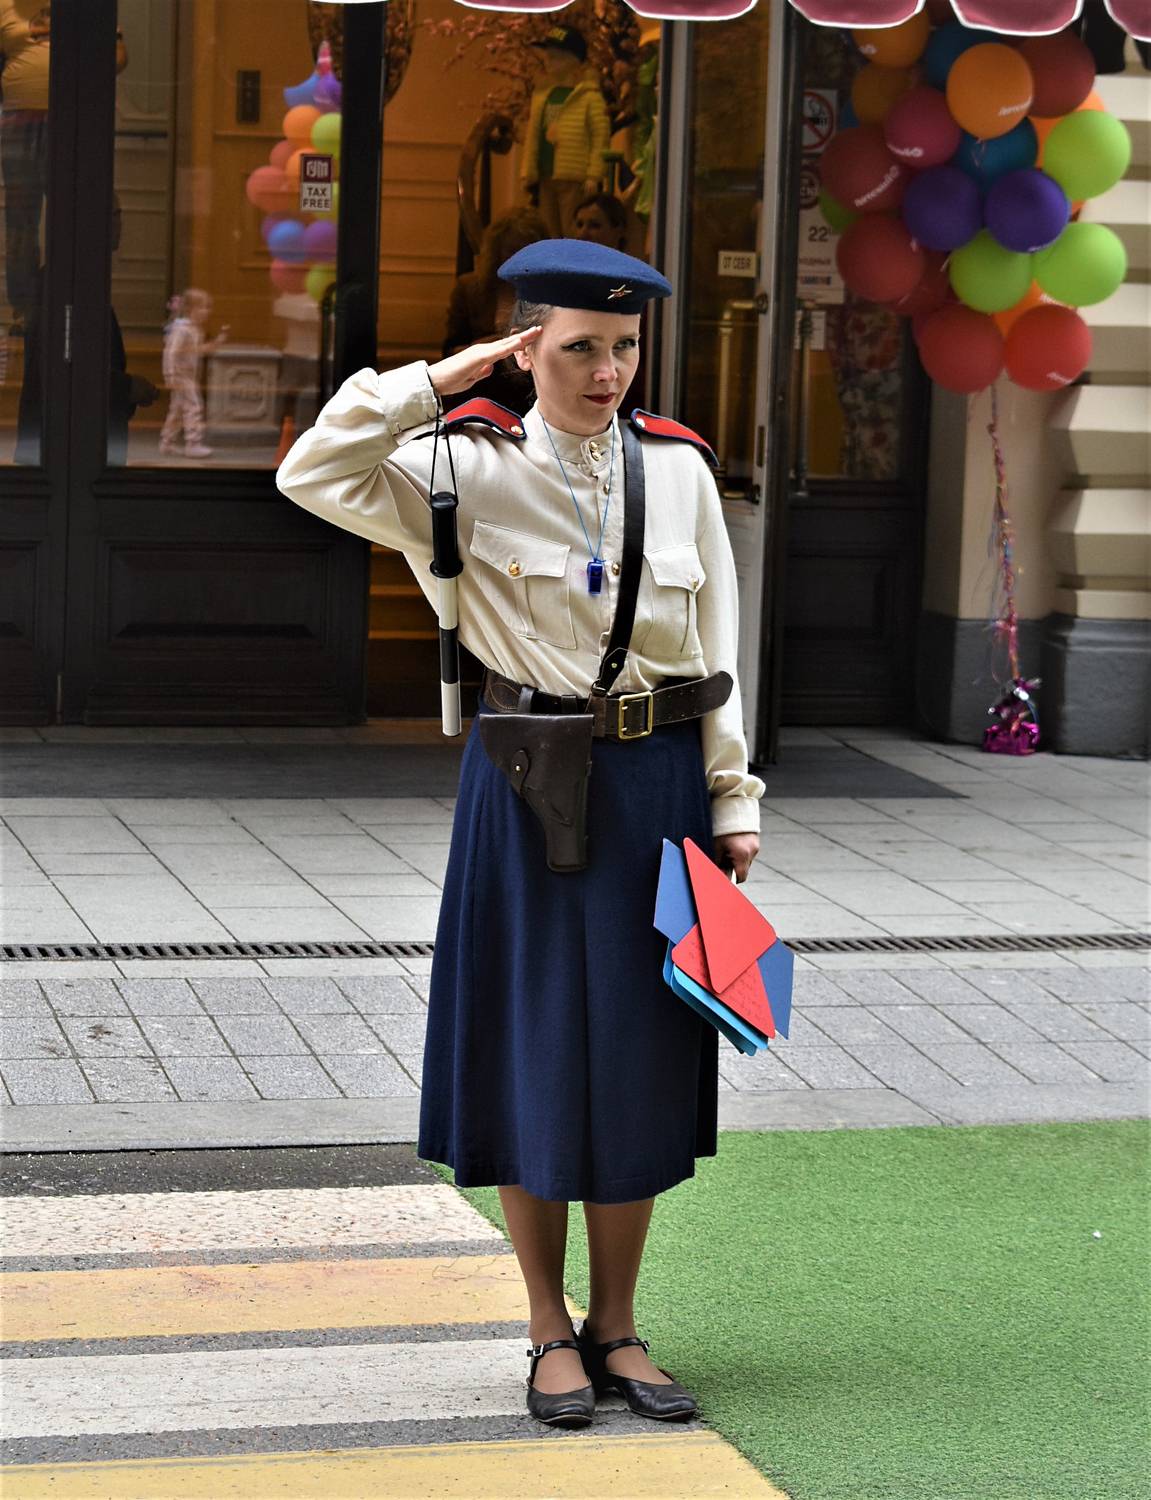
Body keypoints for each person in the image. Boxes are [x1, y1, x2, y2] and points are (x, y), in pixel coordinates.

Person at [276, 239, 763, 1430]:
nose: (608, 372)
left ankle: (619, 1326)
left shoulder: (678, 470)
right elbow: (310, 470)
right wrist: (432, 382)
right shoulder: (458, 464)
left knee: (640, 1059)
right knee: (530, 1051)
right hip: (524, 780)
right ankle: (548, 1325)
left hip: (657, 784)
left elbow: (716, 652)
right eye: (580, 347)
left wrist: (732, 799)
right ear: (526, 347)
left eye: (625, 347)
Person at [0, 3, 127, 331]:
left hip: (76, 119)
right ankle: (26, 312)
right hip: (19, 122)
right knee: (20, 220)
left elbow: (117, 58)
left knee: (88, 210)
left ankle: (85, 302)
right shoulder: (4, 6)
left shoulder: (81, 5)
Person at [441, 207, 548, 414]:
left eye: (526, 250)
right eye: (511, 250)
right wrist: (490, 345)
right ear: (496, 251)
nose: (519, 258)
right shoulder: (470, 288)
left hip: (530, 388)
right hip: (479, 386)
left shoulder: (548, 292)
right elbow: (450, 351)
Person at [521, 26, 609, 237]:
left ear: (572, 60)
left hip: (574, 175)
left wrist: (594, 174)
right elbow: (533, 135)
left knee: (572, 227)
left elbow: (600, 137)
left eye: (555, 57)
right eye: (548, 56)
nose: (548, 62)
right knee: (547, 228)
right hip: (546, 173)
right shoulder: (543, 95)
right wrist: (528, 171)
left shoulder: (589, 96)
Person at [159, 288, 228, 459]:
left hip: (188, 376)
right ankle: (193, 443)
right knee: (194, 406)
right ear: (191, 309)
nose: (207, 311)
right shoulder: (182, 330)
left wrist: (216, 343)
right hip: (181, 376)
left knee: (177, 409)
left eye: (208, 307)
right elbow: (171, 352)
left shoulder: (195, 330)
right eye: (203, 307)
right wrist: (170, 374)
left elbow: (196, 350)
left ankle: (167, 442)